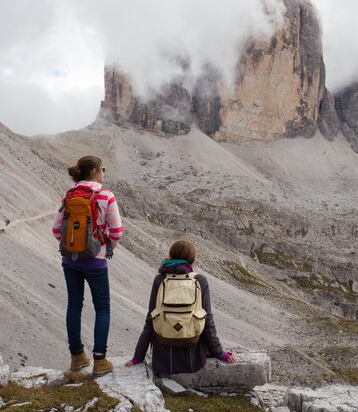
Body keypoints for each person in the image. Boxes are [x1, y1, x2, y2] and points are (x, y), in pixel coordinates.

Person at [52, 155, 123, 375]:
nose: (103, 173)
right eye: (102, 169)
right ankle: (100, 361)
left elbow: (56, 230)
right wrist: (101, 246)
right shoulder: (106, 196)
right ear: (93, 171)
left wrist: (76, 246)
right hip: (96, 262)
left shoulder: (69, 195)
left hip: (69, 260)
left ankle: (77, 358)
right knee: (102, 308)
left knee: (74, 305)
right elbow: (117, 232)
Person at [125, 240, 237, 374]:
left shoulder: (160, 280)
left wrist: (138, 356)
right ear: (192, 259)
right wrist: (220, 353)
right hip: (193, 360)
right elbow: (208, 320)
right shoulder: (200, 281)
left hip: (163, 360)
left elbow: (151, 318)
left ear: (171, 255)